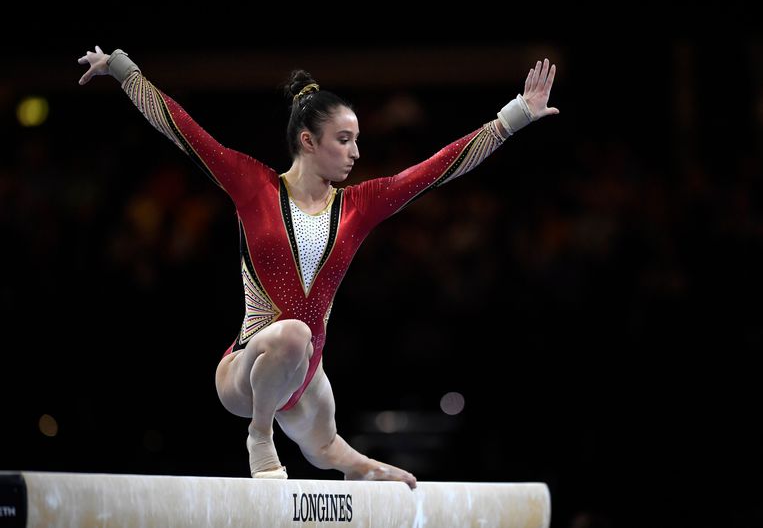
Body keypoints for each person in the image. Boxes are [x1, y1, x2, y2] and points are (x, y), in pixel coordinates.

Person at [78, 46, 558, 489]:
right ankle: (260, 437)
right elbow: (180, 127)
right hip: (246, 370)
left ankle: (365, 467)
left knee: (329, 446)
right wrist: (122, 69)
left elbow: (437, 168)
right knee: (293, 336)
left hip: (307, 376)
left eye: (357, 140)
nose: (356, 153)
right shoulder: (254, 186)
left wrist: (515, 117)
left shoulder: (359, 205)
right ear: (308, 141)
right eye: (344, 140)